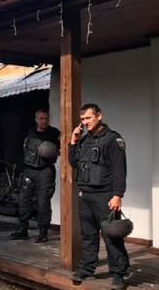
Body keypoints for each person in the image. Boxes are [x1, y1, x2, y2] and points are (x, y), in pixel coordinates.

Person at [69, 104, 129, 290]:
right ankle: (87, 268)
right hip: (85, 195)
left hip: (105, 196)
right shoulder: (84, 140)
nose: (85, 122)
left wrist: (117, 195)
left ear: (99, 116)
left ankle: (118, 274)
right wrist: (73, 142)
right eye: (83, 120)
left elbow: (120, 169)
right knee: (88, 234)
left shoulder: (113, 139)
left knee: (111, 235)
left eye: (88, 118)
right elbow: (74, 163)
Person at [9, 109, 60, 243]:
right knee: (24, 200)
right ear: (36, 119)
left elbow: (63, 149)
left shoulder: (54, 133)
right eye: (41, 118)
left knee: (43, 202)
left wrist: (53, 151)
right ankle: (23, 229)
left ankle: (43, 231)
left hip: (45, 171)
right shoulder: (31, 132)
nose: (44, 121)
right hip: (29, 170)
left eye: (46, 118)